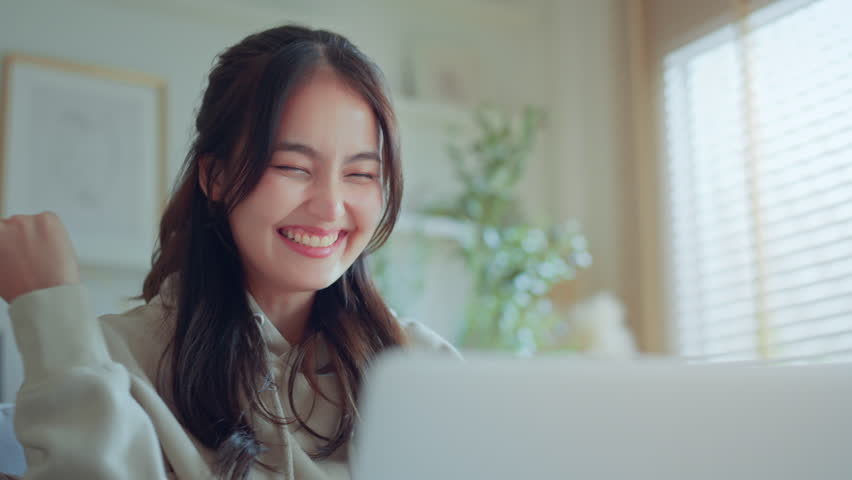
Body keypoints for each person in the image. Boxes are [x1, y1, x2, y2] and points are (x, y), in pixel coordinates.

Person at [0, 25, 460, 480]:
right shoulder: (113, 361)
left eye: (360, 174)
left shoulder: (424, 367)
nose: (330, 206)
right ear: (215, 178)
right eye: (293, 167)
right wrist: (52, 315)